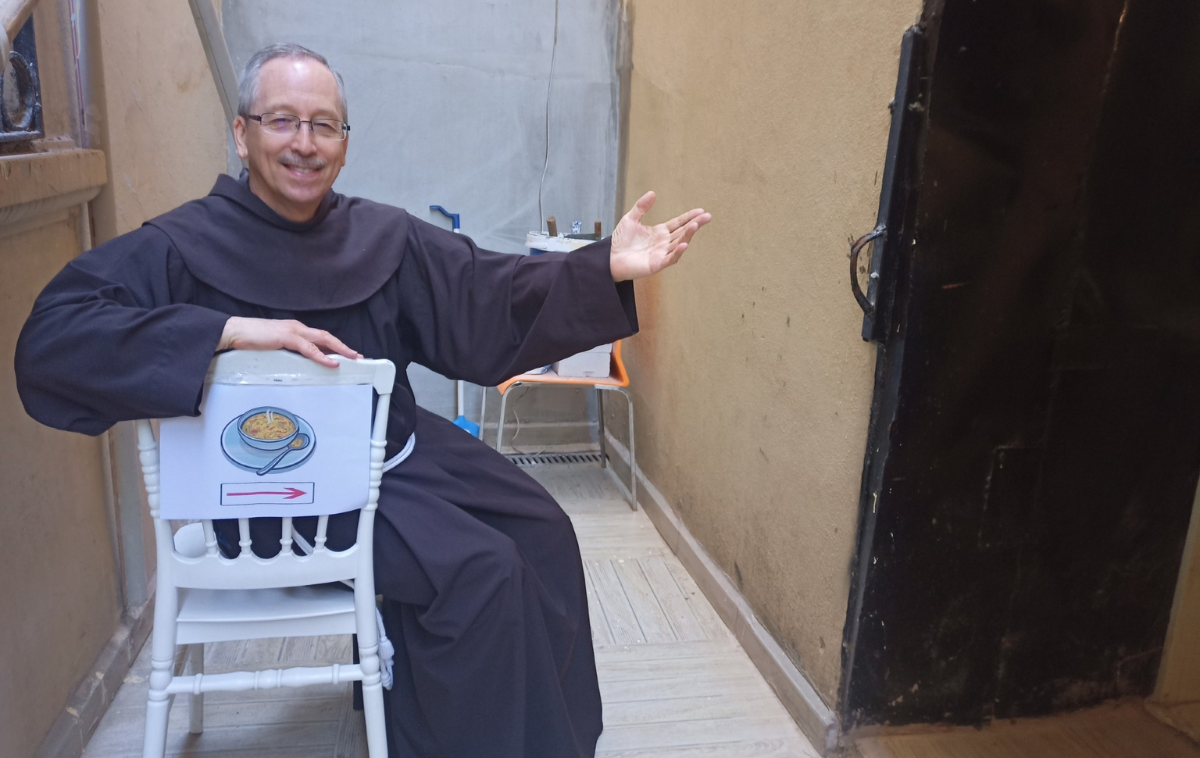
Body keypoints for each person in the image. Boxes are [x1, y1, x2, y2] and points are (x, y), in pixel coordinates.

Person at [14, 43, 709, 758]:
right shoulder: (181, 244)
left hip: (396, 453)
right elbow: (54, 337)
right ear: (241, 132)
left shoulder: (380, 235)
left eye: (325, 126)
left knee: (544, 528)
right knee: (483, 570)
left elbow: (486, 292)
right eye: (282, 121)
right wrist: (226, 331)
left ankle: (544, 742)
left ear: (345, 145)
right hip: (273, 497)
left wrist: (602, 267)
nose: (304, 144)